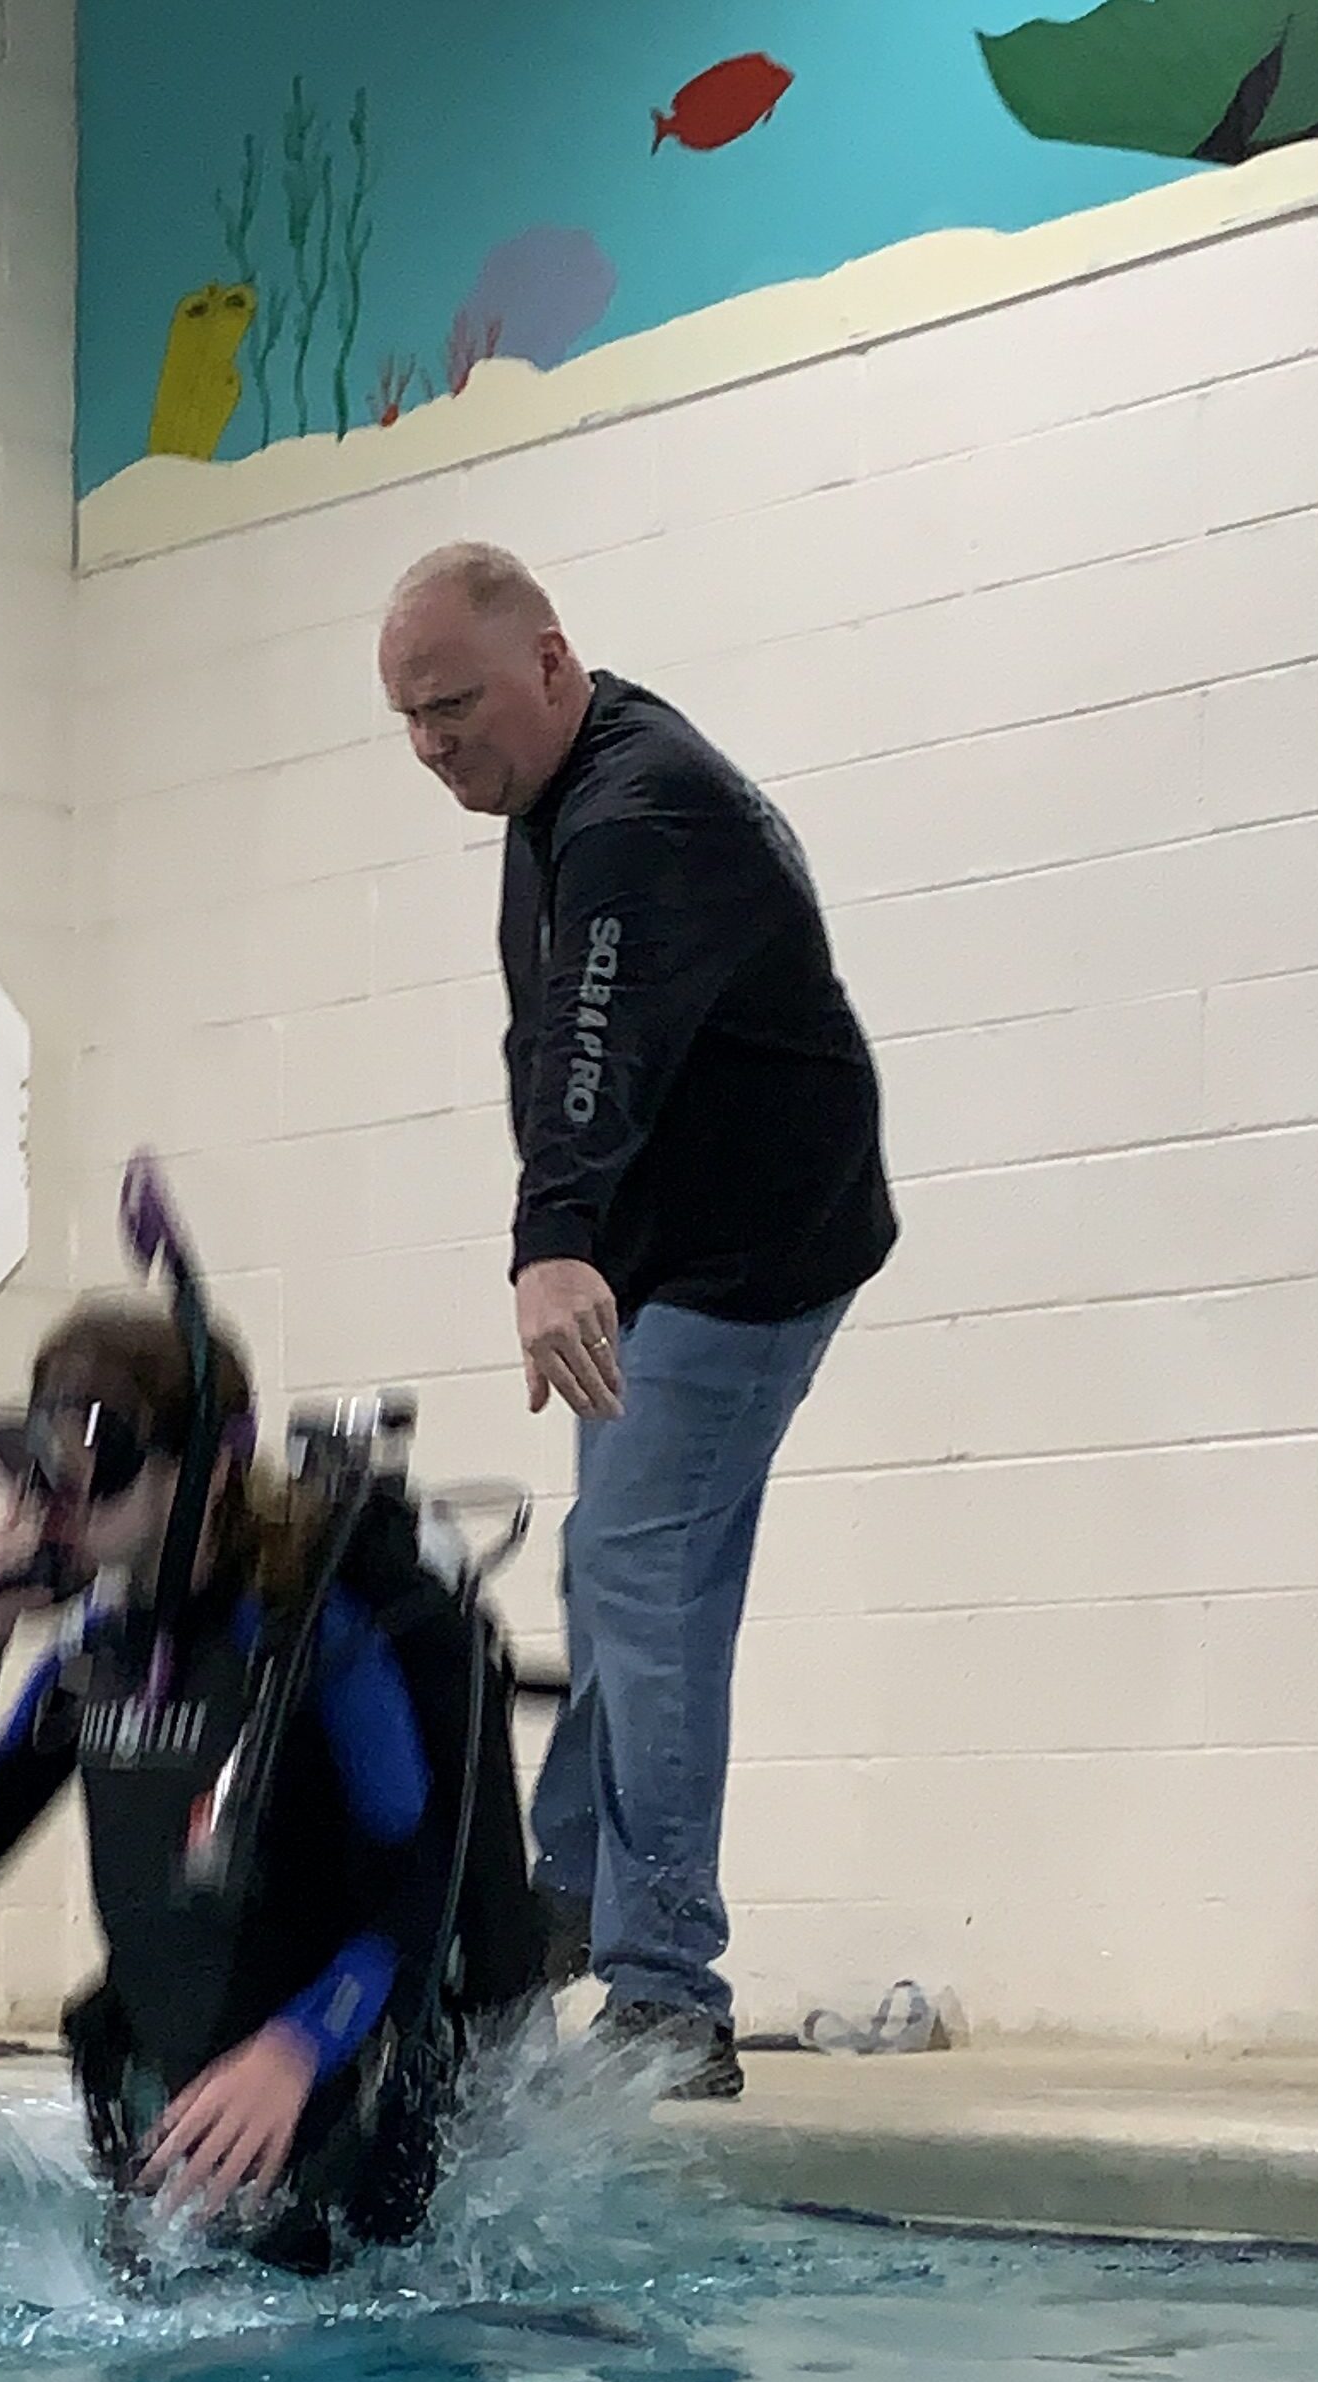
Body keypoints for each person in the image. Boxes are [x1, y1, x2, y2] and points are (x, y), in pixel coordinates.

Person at [375, 540, 897, 2098]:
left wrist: (553, 1243)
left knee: (645, 1572)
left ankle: (668, 1995)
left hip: (754, 1255)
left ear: (549, 664)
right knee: (621, 1580)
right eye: (407, 719)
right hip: (676, 1254)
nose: (432, 746)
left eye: (454, 705)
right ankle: (559, 1917)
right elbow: (557, 1051)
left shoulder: (633, 809)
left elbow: (588, 1043)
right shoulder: (551, 799)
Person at [0, 1294, 493, 2265]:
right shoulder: (96, 1660)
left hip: (329, 2106)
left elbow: (419, 1885)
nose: (65, 1507)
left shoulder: (314, 1641)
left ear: (210, 1471)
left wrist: (297, 2048)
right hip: (184, 2122)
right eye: (50, 1473)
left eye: (105, 1477)